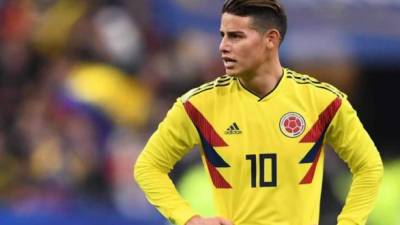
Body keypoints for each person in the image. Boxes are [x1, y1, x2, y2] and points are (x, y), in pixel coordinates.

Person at [134, 0, 384, 225]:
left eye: (236, 36)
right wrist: (189, 219)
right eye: (222, 35)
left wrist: (350, 222)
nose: (223, 46)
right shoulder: (197, 105)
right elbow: (148, 167)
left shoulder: (323, 102)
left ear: (271, 39)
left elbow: (369, 166)